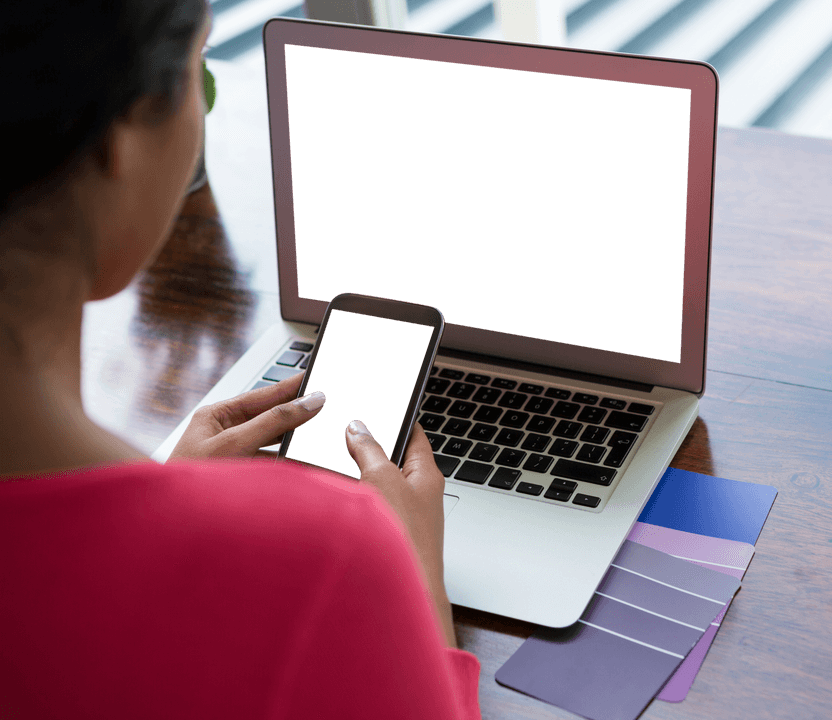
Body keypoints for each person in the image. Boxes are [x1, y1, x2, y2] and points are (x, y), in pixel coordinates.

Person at [0, 2, 481, 717]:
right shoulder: (332, 556)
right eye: (197, 68)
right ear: (118, 145)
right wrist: (408, 585)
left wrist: (149, 515)